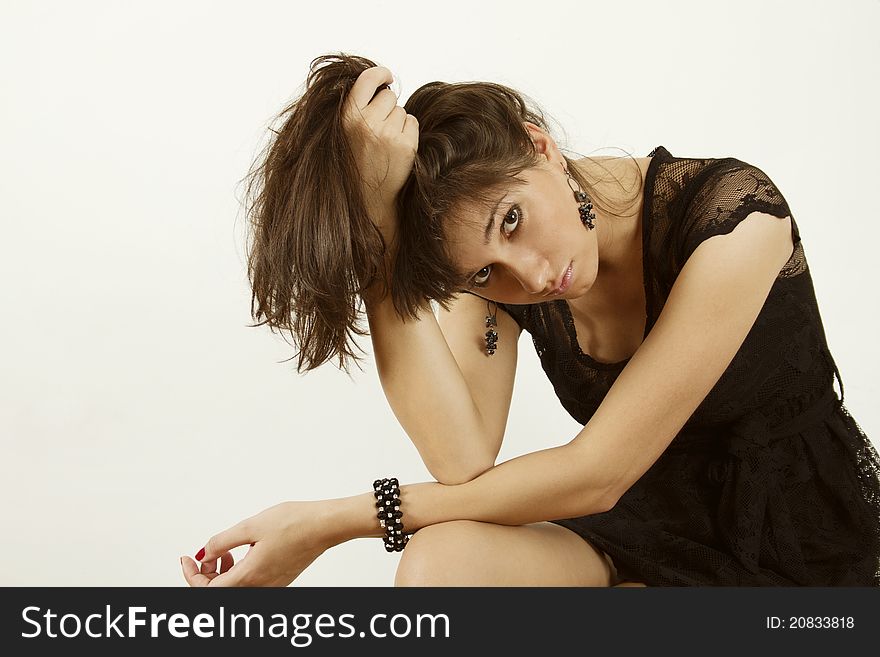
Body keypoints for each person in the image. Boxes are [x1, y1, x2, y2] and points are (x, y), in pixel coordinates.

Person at [179, 53, 880, 587]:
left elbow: (599, 472)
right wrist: (379, 235)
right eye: (484, 272)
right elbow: (462, 458)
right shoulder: (493, 278)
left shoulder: (733, 221)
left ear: (537, 142)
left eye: (511, 220)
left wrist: (327, 523)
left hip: (802, 541)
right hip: (646, 526)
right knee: (440, 564)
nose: (534, 278)